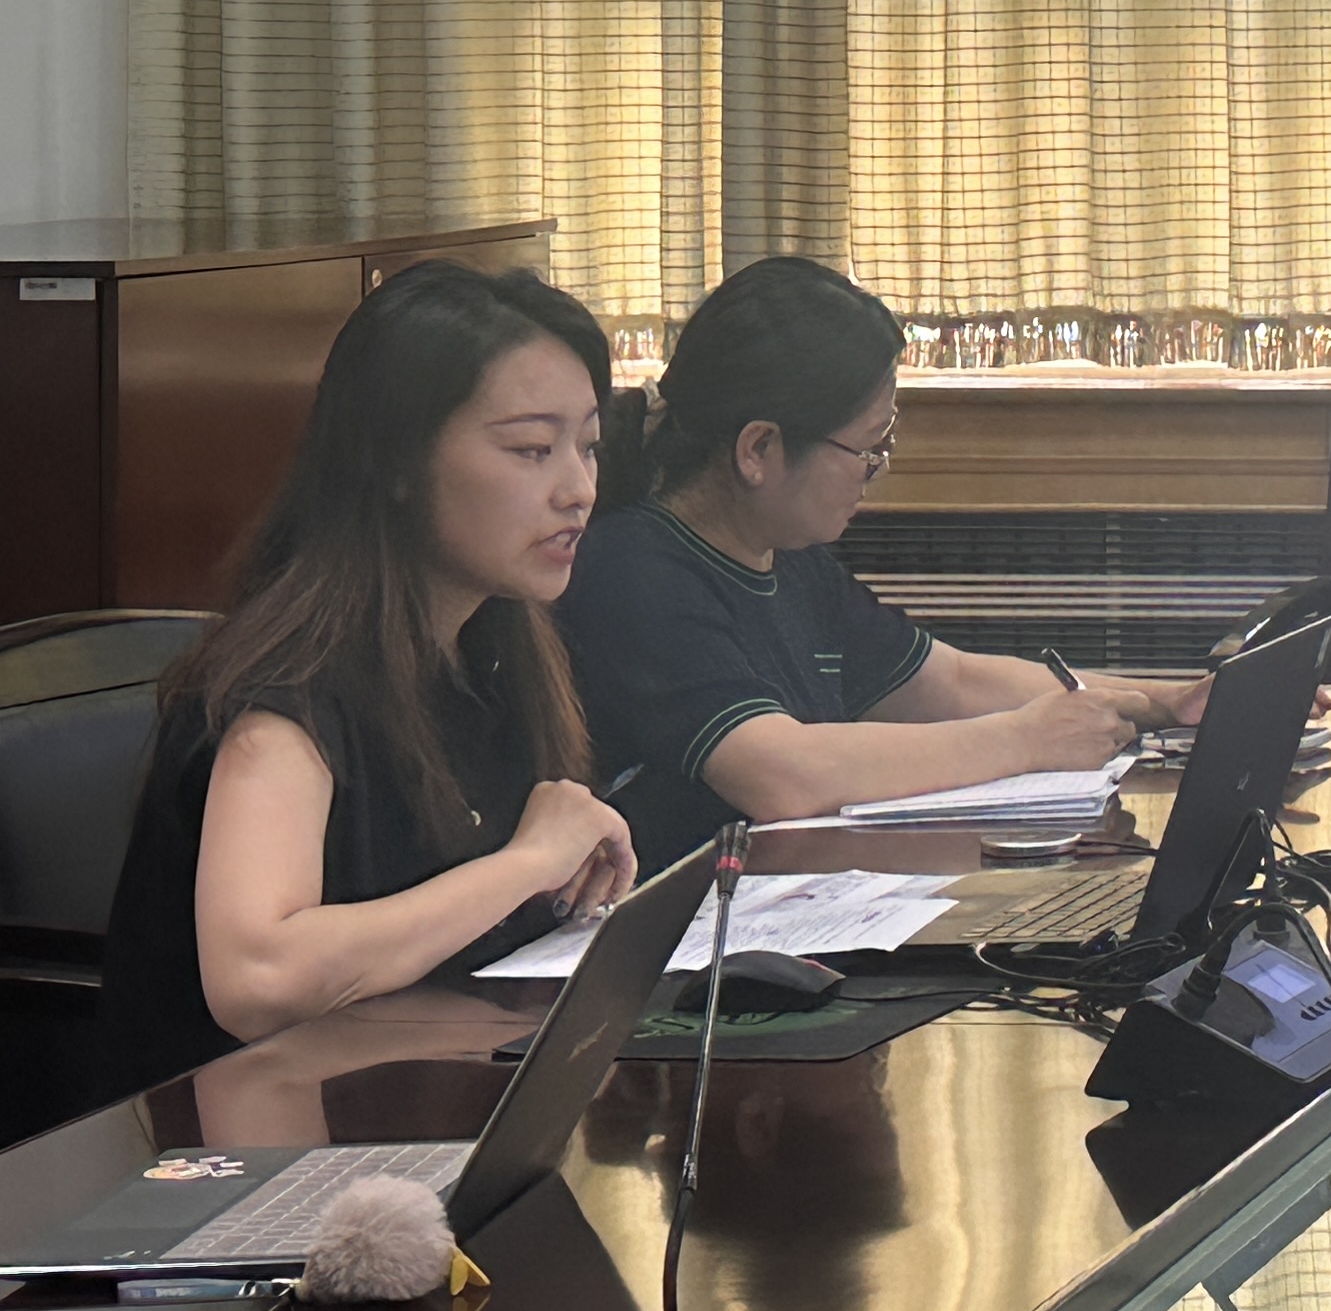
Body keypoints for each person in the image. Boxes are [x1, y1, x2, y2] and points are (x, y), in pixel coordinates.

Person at [100, 262, 641, 1088]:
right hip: (240, 1142)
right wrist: (527, 863)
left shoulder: (495, 654)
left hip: (416, 1100)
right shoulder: (290, 692)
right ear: (396, 462)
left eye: (589, 447)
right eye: (532, 450)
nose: (578, 489)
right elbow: (258, 980)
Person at [558, 255, 1212, 865]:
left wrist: (1165, 701)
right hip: (693, 934)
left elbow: (953, 682)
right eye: (869, 449)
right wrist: (1026, 740)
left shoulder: (788, 560)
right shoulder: (635, 572)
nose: (877, 470)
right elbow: (781, 773)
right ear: (758, 449)